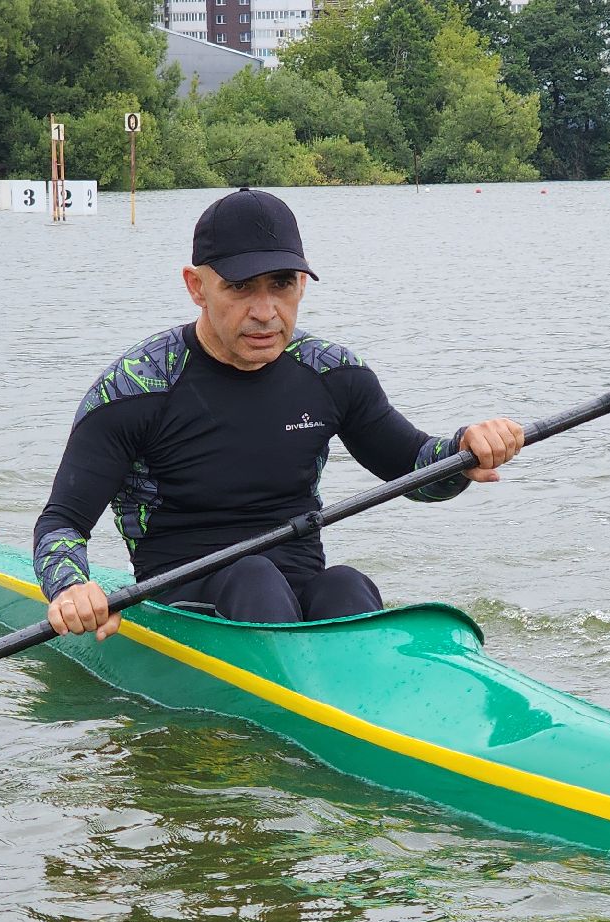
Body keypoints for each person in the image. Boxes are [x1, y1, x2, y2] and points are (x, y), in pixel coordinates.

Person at [36, 187, 523, 640]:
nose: (266, 311)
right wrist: (71, 587)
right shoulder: (134, 389)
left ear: (302, 285)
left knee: (347, 586)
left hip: (296, 589)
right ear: (196, 286)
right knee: (253, 576)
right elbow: (61, 525)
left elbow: (417, 465)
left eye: (282, 284)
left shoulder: (332, 373)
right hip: (179, 604)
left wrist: (465, 450)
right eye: (241, 287)